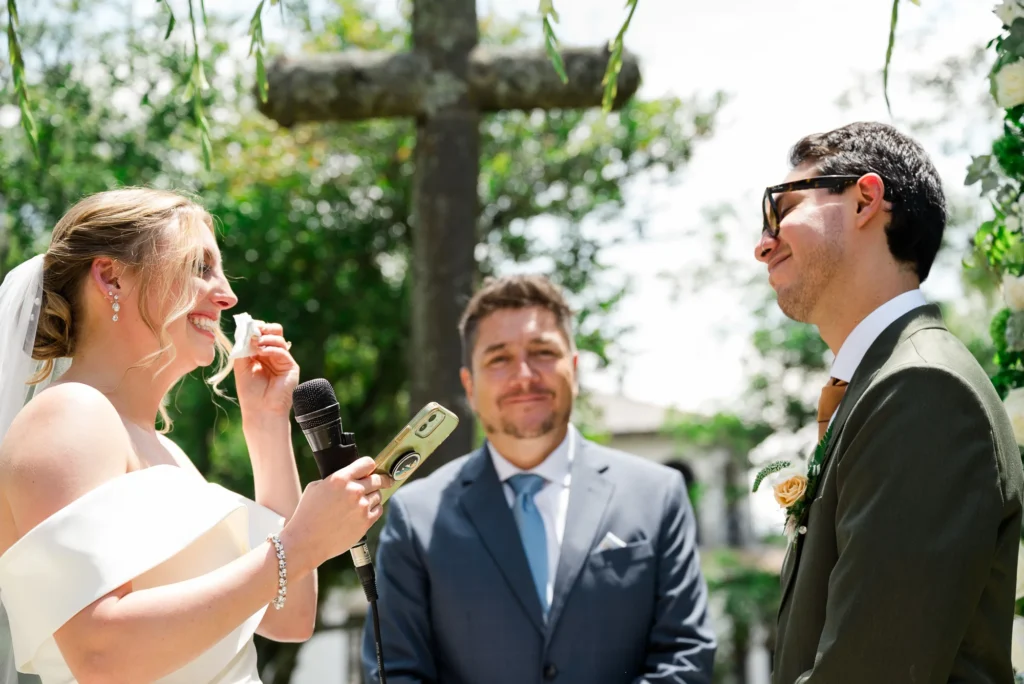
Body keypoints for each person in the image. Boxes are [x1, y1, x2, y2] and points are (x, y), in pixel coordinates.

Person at [0, 188, 392, 684]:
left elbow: (289, 615)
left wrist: (267, 424)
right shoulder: (69, 415)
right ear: (111, 276)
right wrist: (298, 543)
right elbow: (100, 655)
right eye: (199, 267)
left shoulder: (164, 449)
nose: (227, 295)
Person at [754, 121, 1024, 683]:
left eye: (783, 209)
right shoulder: (887, 382)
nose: (763, 244)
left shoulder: (923, 389)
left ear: (865, 200)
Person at [362, 273, 716, 684]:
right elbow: (396, 674)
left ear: (575, 368)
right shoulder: (415, 516)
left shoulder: (658, 495)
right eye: (499, 358)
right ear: (469, 385)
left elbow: (684, 659)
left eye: (543, 352)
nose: (524, 376)